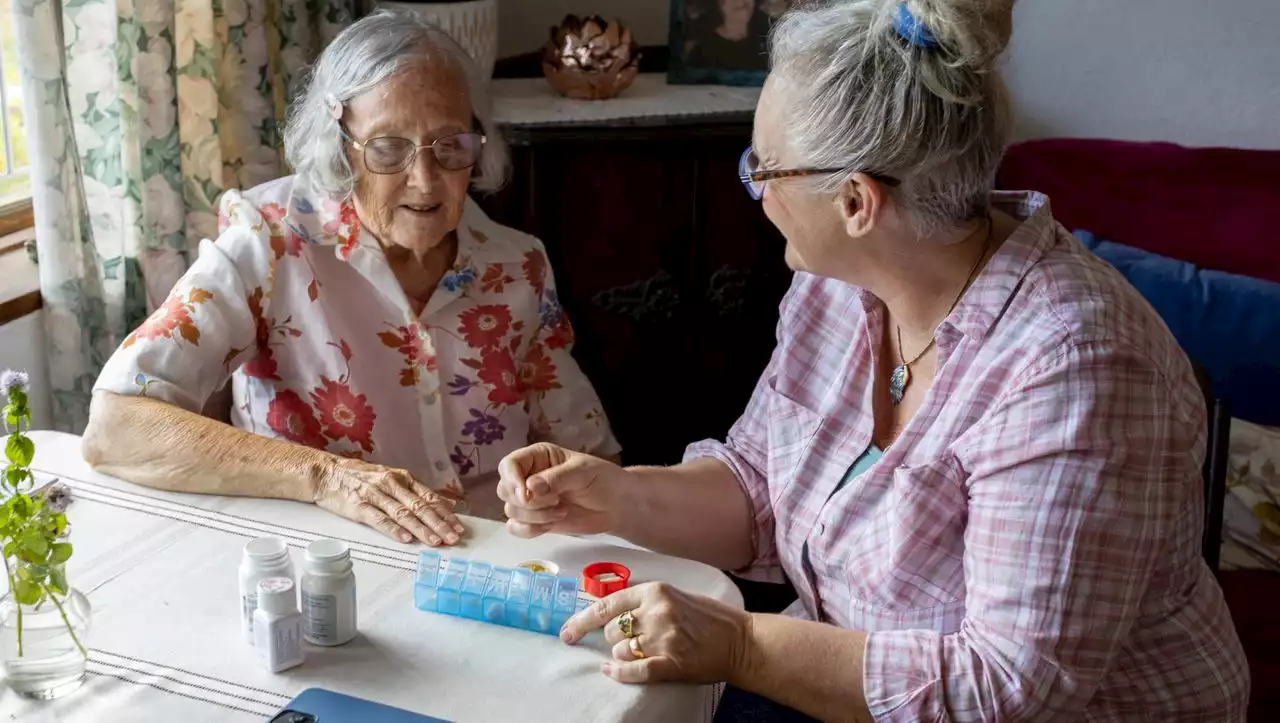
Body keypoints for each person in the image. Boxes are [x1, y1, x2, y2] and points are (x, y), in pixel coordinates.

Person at [498, 1, 1250, 720]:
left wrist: (739, 644)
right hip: (846, 682)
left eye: (762, 170)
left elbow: (1008, 689)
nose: (754, 194)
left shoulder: (1075, 368)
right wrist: (619, 497)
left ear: (857, 202)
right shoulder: (837, 286)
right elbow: (761, 486)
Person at [81, 11, 619, 546]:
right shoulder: (267, 244)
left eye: (450, 145)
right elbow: (115, 426)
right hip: (331, 564)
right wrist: (326, 476)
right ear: (339, 146)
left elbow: (593, 458)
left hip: (498, 562)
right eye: (388, 148)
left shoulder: (518, 265)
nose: (425, 180)